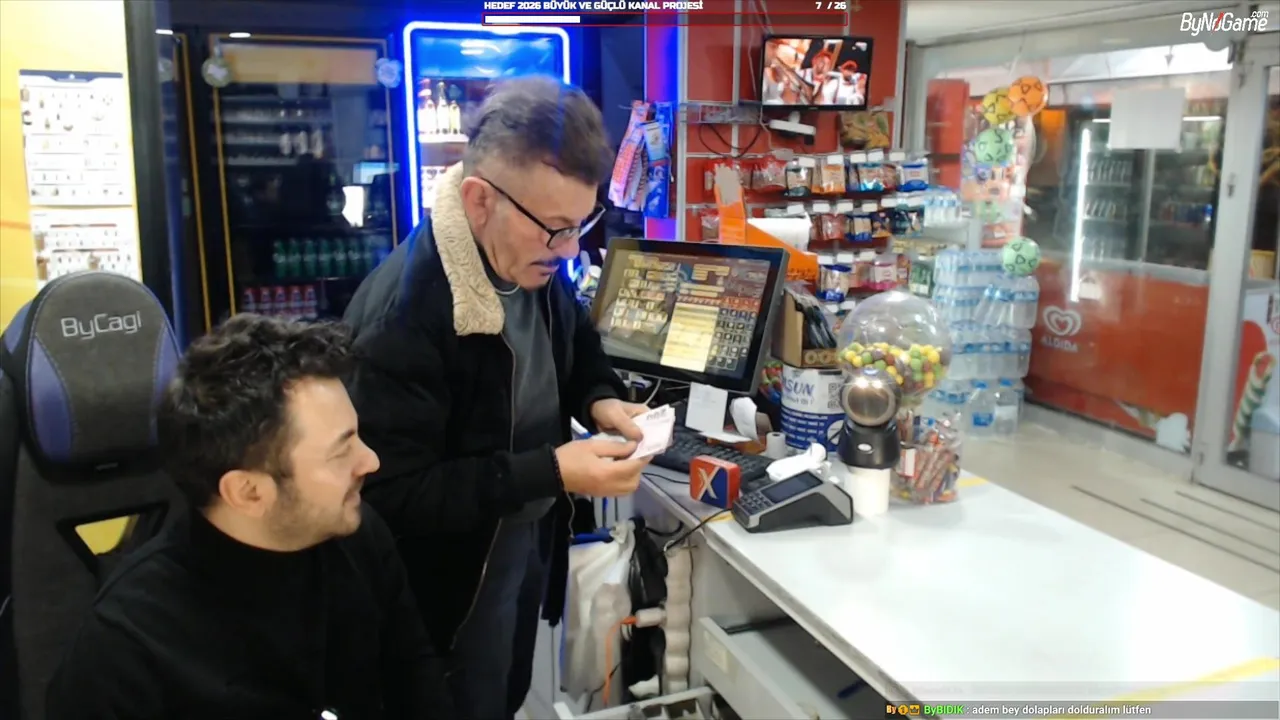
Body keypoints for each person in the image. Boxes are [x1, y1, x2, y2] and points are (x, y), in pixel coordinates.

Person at [344, 75, 653, 720]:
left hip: (520, 536)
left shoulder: (528, 254)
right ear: (479, 200)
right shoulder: (405, 316)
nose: (571, 249)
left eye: (580, 225)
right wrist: (553, 472)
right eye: (556, 229)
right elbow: (390, 493)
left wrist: (599, 398)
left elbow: (574, 340)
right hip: (446, 582)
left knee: (506, 692)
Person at [46, 315, 454, 720]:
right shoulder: (127, 648)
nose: (371, 461)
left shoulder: (360, 540)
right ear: (248, 492)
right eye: (340, 452)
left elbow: (419, 690)